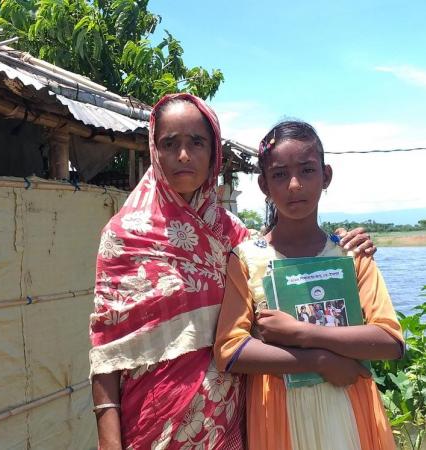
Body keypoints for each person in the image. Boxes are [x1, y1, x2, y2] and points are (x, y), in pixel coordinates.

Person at [89, 95, 377, 450]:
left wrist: (344, 243)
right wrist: (108, 440)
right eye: (170, 143)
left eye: (197, 143)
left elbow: (287, 255)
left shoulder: (233, 237)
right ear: (154, 150)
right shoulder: (124, 237)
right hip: (152, 421)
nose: (183, 155)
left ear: (213, 153)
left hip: (227, 423)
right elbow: (106, 349)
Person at [214, 120, 404, 450]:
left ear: (325, 175)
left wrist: (304, 333)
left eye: (306, 170)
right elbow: (230, 350)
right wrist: (317, 360)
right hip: (278, 414)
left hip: (350, 408)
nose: (295, 185)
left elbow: (389, 340)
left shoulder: (350, 255)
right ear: (263, 184)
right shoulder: (247, 260)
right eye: (279, 175)